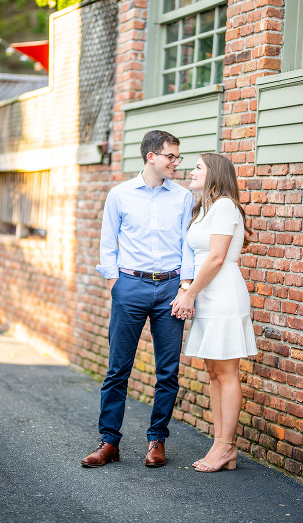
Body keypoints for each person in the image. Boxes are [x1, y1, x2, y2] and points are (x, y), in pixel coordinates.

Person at [83, 130, 195, 468]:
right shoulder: (119, 195)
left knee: (168, 371)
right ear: (151, 157)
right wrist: (115, 282)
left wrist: (186, 286)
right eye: (171, 156)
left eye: (177, 156)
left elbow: (188, 246)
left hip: (170, 290)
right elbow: (108, 242)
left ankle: (157, 441)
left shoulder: (184, 197)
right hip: (130, 286)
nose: (177, 162)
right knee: (118, 368)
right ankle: (109, 442)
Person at [170, 152, 257, 473]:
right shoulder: (205, 209)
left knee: (227, 372)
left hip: (223, 296)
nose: (190, 172)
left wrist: (189, 294)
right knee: (214, 373)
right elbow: (195, 257)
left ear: (215, 174)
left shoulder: (224, 207)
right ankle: (223, 444)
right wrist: (188, 288)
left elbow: (217, 257)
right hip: (205, 296)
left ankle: (224, 447)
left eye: (197, 168)